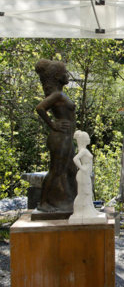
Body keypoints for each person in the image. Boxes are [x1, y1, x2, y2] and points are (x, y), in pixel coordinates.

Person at [35, 59, 77, 213]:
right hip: (60, 137)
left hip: (66, 137)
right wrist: (53, 124)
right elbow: (40, 108)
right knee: (56, 171)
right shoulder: (57, 95)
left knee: (73, 170)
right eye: (65, 73)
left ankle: (76, 202)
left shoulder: (60, 94)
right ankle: (43, 202)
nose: (68, 76)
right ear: (58, 76)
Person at [69, 130, 107, 224]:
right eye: (87, 138)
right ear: (83, 140)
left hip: (85, 175)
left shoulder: (84, 150)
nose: (89, 139)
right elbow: (75, 159)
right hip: (83, 175)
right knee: (83, 193)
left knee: (88, 193)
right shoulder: (83, 150)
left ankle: (90, 210)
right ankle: (79, 212)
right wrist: (82, 168)